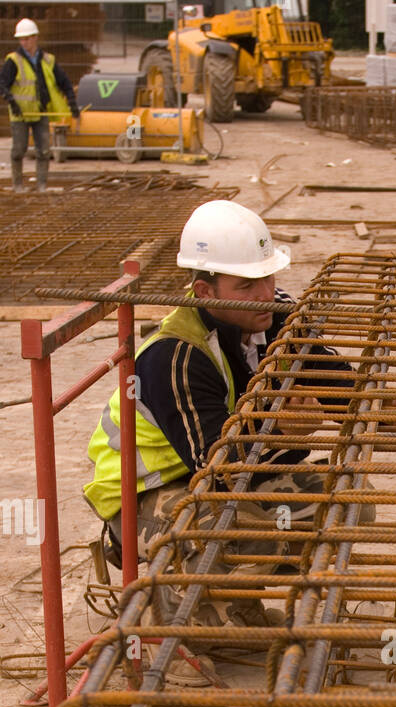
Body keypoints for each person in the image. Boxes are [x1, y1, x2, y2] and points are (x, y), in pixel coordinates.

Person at [85, 200, 361, 633]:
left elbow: (331, 376)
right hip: (147, 493)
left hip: (218, 475)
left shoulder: (272, 314)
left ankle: (234, 606)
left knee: (346, 502)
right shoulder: (173, 356)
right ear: (205, 291)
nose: (265, 292)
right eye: (247, 284)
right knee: (230, 525)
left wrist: (371, 401)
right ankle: (168, 635)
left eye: (268, 276)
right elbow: (217, 472)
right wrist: (286, 435)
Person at [0, 18, 78, 192]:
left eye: (27, 38)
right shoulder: (13, 60)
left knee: (43, 151)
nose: (24, 42)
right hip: (20, 114)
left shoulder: (48, 60)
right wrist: (11, 100)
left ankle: (41, 185)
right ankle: (18, 185)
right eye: (21, 39)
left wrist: (72, 101)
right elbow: (2, 82)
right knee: (18, 150)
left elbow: (64, 81)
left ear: (35, 37)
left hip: (41, 113)